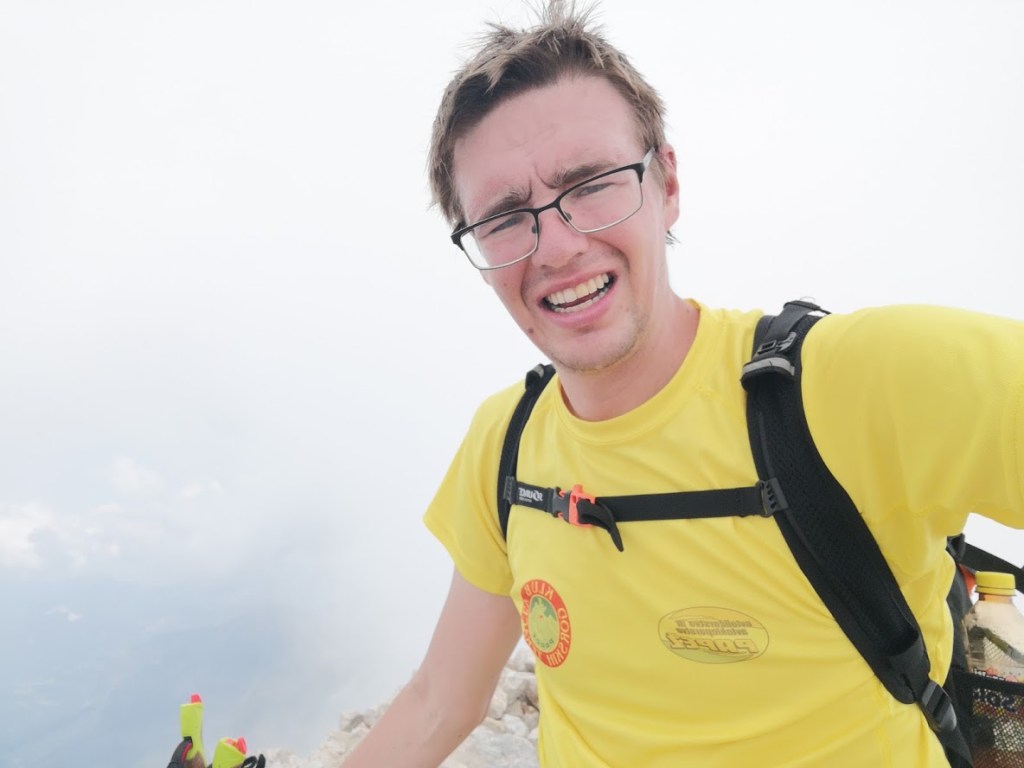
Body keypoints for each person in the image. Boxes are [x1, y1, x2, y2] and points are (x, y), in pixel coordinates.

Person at [342, 2, 1024, 766]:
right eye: (504, 219)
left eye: (591, 183)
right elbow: (440, 701)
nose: (556, 246)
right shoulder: (505, 447)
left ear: (666, 182)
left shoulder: (851, 385)